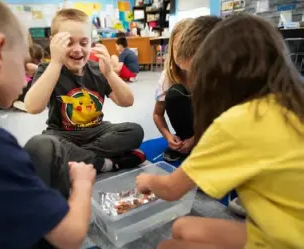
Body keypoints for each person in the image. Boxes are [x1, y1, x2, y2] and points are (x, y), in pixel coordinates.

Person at [136, 13, 304, 249]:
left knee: (167, 246)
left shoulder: (235, 123)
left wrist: (145, 179)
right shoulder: (290, 101)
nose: (191, 83)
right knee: (181, 227)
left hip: (285, 242)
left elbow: (170, 189)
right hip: (283, 229)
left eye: (194, 74)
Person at [0, 1, 98, 249]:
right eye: (22, 62)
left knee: (46, 148)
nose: (24, 78)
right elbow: (71, 237)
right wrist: (83, 184)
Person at [24, 9, 145, 177]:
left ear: (91, 43)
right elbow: (32, 107)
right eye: (68, 43)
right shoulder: (48, 70)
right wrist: (55, 63)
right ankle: (109, 163)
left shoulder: (97, 70)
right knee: (41, 144)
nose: (77, 49)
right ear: (54, 44)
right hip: (62, 134)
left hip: (97, 131)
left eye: (83, 42)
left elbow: (127, 101)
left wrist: (109, 73)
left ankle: (75, 158)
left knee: (134, 130)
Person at [153, 19, 192, 162]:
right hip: (187, 132)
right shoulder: (167, 76)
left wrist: (195, 139)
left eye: (190, 49)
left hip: (211, 128)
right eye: (178, 49)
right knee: (175, 93)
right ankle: (183, 141)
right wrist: (169, 137)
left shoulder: (210, 74)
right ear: (171, 49)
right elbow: (158, 114)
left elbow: (218, 116)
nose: (183, 55)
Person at [14, 43, 45, 111]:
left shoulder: (41, 72)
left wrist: (38, 70)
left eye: (37, 62)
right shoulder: (19, 75)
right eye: (33, 62)